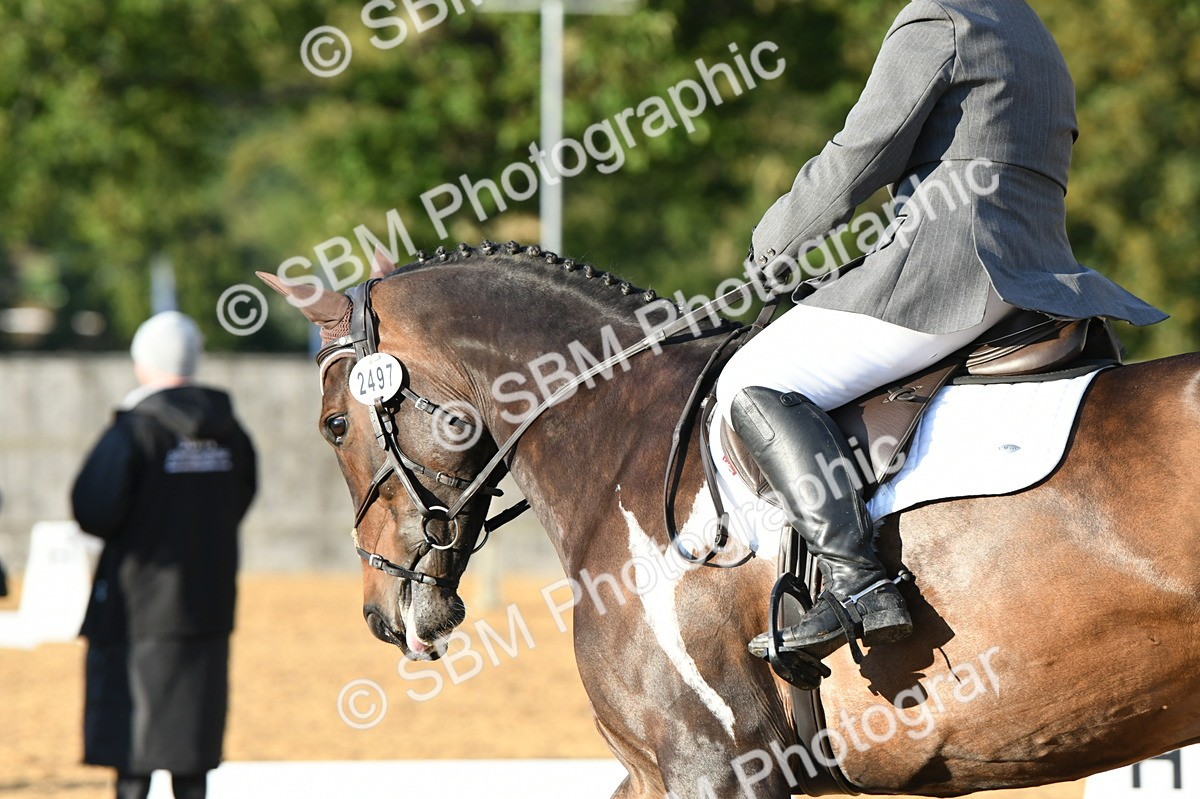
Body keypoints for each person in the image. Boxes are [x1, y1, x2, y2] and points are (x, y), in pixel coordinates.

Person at [717, 0, 1166, 664]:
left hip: (945, 273)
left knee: (752, 382)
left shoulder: (940, 19)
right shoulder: (1035, 34)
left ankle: (858, 581)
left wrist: (771, 246)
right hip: (1038, 274)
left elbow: (860, 153)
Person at [71, 311, 256, 799]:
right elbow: (240, 497)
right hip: (206, 608)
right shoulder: (230, 431)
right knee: (192, 756)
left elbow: (93, 507)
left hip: (137, 610)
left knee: (134, 759)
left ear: (141, 363)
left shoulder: (135, 431)